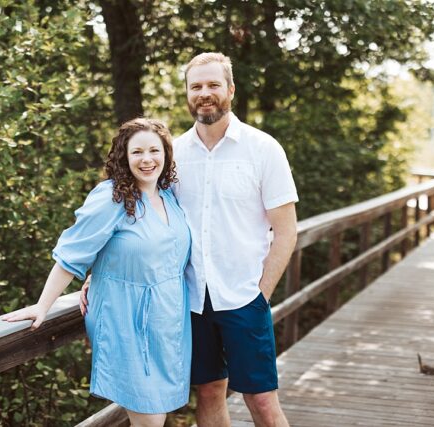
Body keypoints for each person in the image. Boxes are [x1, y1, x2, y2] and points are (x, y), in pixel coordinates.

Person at [82, 52, 298, 426]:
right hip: (189, 301)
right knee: (210, 392)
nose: (205, 93)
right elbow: (139, 219)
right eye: (196, 86)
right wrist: (97, 271)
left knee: (261, 400)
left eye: (213, 84)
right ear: (186, 94)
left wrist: (260, 296)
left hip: (244, 296)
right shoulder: (172, 155)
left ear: (230, 89)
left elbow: (287, 231)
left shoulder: (263, 150)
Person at [3, 118, 192, 427]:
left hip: (168, 320)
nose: (147, 159)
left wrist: (103, 268)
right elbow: (72, 254)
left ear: (167, 155)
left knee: (157, 414)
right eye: (137, 152)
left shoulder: (169, 196)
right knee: (149, 420)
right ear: (124, 156)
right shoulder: (112, 198)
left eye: (155, 151)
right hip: (126, 318)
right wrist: (42, 305)